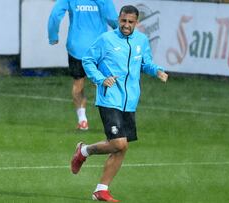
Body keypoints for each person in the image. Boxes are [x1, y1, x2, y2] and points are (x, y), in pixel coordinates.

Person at [71, 5, 168, 202]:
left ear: (136, 23)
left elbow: (145, 63)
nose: (126, 25)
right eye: (123, 21)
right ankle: (84, 151)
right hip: (109, 98)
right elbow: (88, 60)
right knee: (118, 142)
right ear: (119, 19)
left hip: (130, 102)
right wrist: (100, 79)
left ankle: (101, 189)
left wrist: (157, 70)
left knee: (122, 148)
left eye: (130, 22)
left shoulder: (141, 40)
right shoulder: (106, 39)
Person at [48, 0, 118, 130]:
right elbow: (113, 18)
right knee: (105, 83)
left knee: (78, 83)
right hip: (99, 48)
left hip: (77, 47)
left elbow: (55, 15)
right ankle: (112, 122)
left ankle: (82, 120)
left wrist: (53, 36)